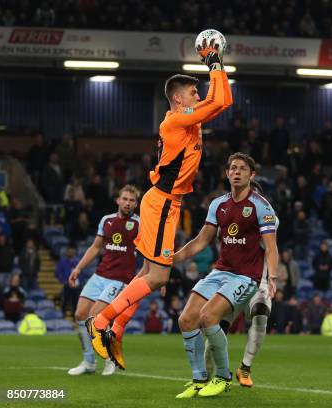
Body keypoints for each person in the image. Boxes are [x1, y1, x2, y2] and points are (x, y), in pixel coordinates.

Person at [87, 42, 232, 367]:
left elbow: (222, 100)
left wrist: (217, 67)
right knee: (158, 278)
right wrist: (214, 62)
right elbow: (219, 99)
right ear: (179, 99)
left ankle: (118, 329)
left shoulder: (187, 121)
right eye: (194, 92)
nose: (199, 95)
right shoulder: (176, 122)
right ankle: (100, 323)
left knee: (149, 273)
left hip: (168, 204)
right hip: (161, 203)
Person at [172, 153, 278, 398]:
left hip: (245, 277)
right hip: (220, 271)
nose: (237, 172)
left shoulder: (261, 206)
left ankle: (223, 376)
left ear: (252, 175)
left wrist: (272, 277)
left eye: (242, 168)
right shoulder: (217, 204)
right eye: (233, 168)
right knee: (186, 319)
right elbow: (201, 241)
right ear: (227, 174)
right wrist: (173, 258)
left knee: (209, 317)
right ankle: (199, 378)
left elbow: (271, 248)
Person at [66, 185, 140, 376]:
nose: (127, 203)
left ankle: (110, 358)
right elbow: (95, 247)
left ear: (136, 204)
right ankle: (89, 362)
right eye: (125, 199)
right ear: (118, 200)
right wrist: (78, 268)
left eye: (132, 200)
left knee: (95, 316)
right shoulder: (106, 220)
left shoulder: (140, 224)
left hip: (120, 279)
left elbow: (149, 253)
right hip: (99, 276)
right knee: (80, 314)